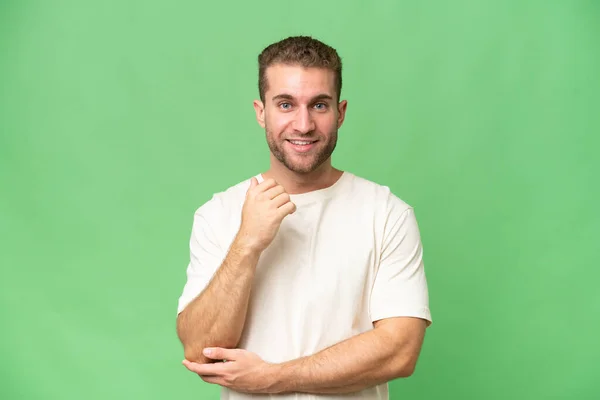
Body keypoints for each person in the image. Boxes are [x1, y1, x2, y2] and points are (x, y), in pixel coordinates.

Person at [175, 35, 432, 399]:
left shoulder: (387, 213)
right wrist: (247, 243)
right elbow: (201, 351)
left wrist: (274, 377)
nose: (303, 124)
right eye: (285, 104)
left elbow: (400, 351)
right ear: (260, 111)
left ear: (340, 112)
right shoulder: (217, 214)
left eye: (319, 105)